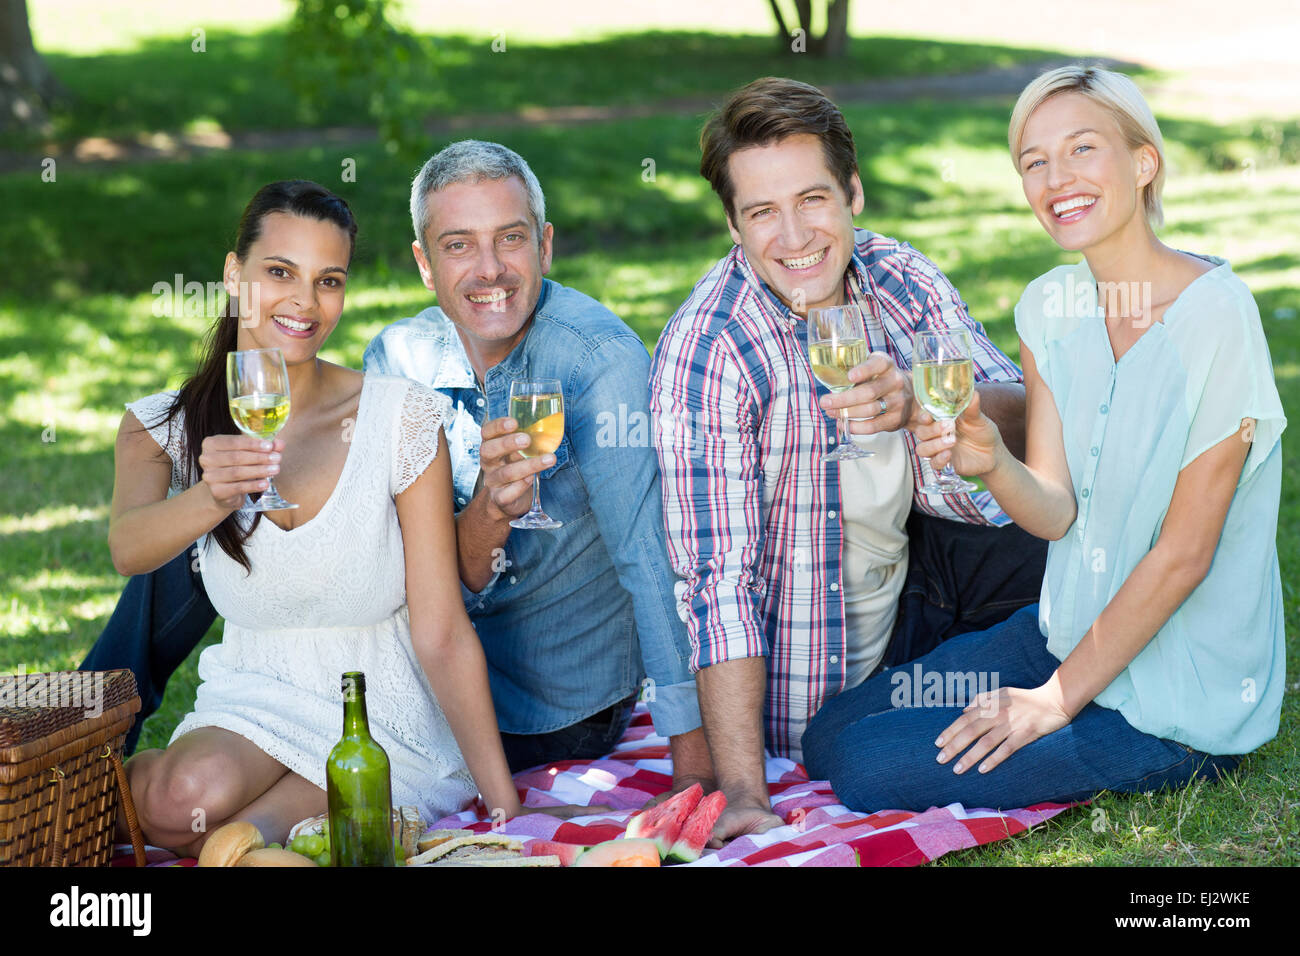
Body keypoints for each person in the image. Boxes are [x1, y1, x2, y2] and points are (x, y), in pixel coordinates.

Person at [85, 142, 708, 790]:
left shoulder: (596, 363)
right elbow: (415, 553)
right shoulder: (403, 355)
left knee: (234, 506)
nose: (489, 269)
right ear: (424, 263)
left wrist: (695, 769)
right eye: (459, 244)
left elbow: (650, 560)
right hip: (396, 663)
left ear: (545, 246)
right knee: (212, 521)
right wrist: (492, 512)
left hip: (536, 707)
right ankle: (76, 750)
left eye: (511, 239)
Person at [801, 66, 1285, 811]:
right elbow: (1056, 511)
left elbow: (1186, 554)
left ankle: (1152, 745)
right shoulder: (1050, 307)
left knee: (868, 766)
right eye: (1035, 160)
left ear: (1143, 161)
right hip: (1068, 631)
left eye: (1083, 149)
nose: (1058, 177)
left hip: (1180, 687)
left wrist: (1052, 702)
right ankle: (1061, 704)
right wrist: (992, 461)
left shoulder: (1218, 318)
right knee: (831, 734)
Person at [649, 76, 1047, 840]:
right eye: (762, 212)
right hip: (821, 671)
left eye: (813, 200)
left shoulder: (897, 277)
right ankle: (1067, 686)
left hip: (923, 587)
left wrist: (927, 406)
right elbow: (716, 583)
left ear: (853, 193)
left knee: (1083, 523)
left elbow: (1023, 409)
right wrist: (743, 791)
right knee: (867, 759)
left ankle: (1087, 663)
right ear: (733, 225)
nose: (794, 238)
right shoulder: (711, 350)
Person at [115, 181, 542, 854]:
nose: (305, 303)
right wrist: (211, 496)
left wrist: (505, 805)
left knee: (273, 827)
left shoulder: (398, 416)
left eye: (329, 280)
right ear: (234, 275)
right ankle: (118, 798)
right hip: (253, 692)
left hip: (379, 711)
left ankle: (255, 835)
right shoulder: (161, 427)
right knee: (180, 800)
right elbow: (127, 549)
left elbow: (441, 628)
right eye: (279, 272)